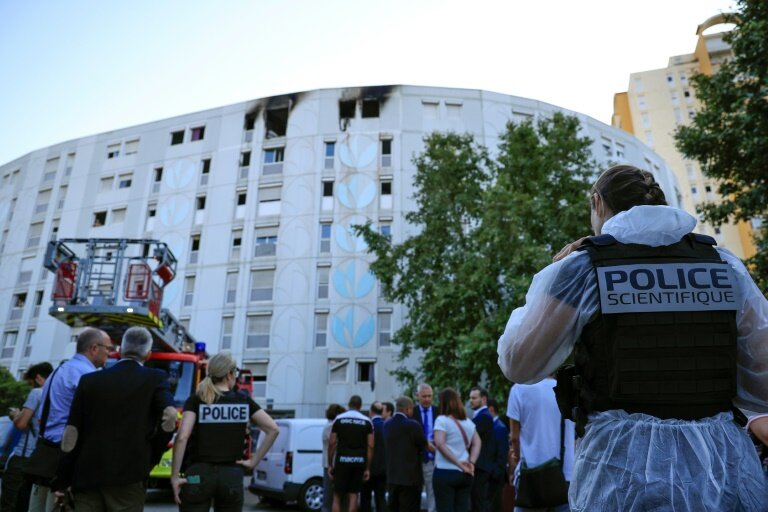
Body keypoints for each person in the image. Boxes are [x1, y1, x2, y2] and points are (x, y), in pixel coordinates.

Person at [497, 165, 768, 511]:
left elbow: (519, 363)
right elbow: (764, 381)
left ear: (597, 203)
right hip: (721, 471)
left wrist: (551, 283)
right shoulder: (724, 266)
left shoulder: (583, 269)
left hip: (620, 473)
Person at [52, 327, 177, 510]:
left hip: (87, 475)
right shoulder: (155, 378)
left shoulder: (89, 380)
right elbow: (170, 415)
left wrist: (62, 479)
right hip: (129, 476)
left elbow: (71, 433)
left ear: (119, 351)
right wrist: (152, 453)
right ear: (148, 355)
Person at [171, 352, 279, 511]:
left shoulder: (196, 400)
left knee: (193, 487)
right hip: (232, 477)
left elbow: (182, 436)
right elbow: (273, 429)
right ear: (229, 374)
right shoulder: (243, 400)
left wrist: (174, 478)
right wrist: (253, 462)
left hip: (196, 477)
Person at [26, 327, 111, 512]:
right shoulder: (89, 376)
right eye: (108, 349)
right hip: (66, 458)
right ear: (94, 348)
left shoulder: (58, 371)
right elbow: (93, 420)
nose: (109, 354)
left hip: (44, 455)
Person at [507, 379, 574, 512]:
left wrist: (515, 463)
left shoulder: (519, 389)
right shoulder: (567, 389)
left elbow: (514, 438)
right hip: (565, 474)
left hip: (531, 475)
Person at [0, 362, 53, 512]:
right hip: (42, 461)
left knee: (10, 504)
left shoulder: (37, 393)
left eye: (30, 383)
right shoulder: (58, 395)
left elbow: (21, 424)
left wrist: (15, 415)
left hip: (23, 458)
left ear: (38, 378)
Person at [433, 388, 480, 512]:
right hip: (465, 474)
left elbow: (440, 443)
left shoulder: (441, 420)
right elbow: (477, 443)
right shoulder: (468, 422)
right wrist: (471, 462)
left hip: (445, 471)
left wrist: (457, 463)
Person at [328, 395, 374, 512]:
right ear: (360, 406)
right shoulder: (367, 421)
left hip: (342, 461)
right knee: (353, 495)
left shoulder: (339, 419)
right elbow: (370, 446)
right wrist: (367, 468)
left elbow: (332, 443)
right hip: (358, 461)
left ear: (349, 405)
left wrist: (330, 464)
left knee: (337, 495)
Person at [383, 397, 427, 512]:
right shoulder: (413, 425)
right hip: (410, 479)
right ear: (407, 409)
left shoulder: (387, 425)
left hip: (392, 477)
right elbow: (423, 445)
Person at [410, 383, 437, 512]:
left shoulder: (439, 411)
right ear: (417, 396)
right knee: (414, 493)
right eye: (424, 396)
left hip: (433, 459)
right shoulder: (412, 413)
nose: (427, 399)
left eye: (429, 396)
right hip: (415, 460)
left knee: (432, 492)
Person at [468, 387, 493, 512]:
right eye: (470, 398)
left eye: (474, 398)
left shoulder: (484, 417)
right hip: (479, 466)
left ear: (483, 399)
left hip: (480, 467)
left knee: (478, 502)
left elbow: (469, 437)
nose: (470, 401)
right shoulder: (481, 416)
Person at [361, 403, 386, 512]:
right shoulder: (387, 426)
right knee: (381, 498)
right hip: (383, 468)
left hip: (368, 467)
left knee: (365, 497)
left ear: (371, 411)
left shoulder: (367, 425)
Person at [485, 399, 509, 512]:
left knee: (494, 506)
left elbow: (502, 453)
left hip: (495, 476)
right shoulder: (494, 426)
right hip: (492, 474)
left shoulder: (499, 427)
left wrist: (495, 473)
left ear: (491, 409)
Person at [323, 404, 345, 512]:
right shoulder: (332, 426)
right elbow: (334, 443)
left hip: (328, 462)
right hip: (332, 463)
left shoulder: (328, 425)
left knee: (329, 492)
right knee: (332, 494)